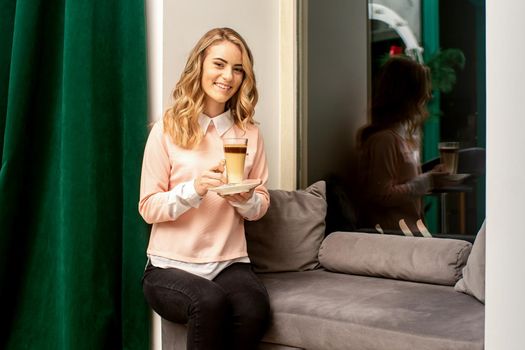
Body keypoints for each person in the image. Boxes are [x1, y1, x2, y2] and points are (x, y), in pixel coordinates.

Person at [139, 27, 270, 349]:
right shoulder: (166, 129)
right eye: (219, 64)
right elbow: (148, 207)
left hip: (229, 262)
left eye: (238, 69)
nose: (228, 76)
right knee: (208, 302)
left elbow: (261, 204)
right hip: (168, 267)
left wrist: (245, 199)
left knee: (255, 310)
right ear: (199, 66)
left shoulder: (249, 133)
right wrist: (194, 189)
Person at [357, 55, 446, 236]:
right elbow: (381, 195)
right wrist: (425, 181)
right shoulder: (384, 140)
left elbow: (403, 182)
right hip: (396, 238)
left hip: (410, 233)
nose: (428, 96)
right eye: (423, 90)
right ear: (407, 96)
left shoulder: (401, 137)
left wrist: (430, 177)